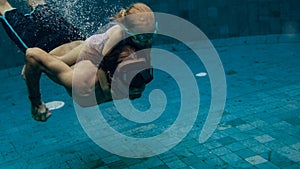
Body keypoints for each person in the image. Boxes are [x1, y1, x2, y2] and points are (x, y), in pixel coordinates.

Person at [0, 0, 156, 122]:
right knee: (5, 6)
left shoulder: (134, 49)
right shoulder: (84, 86)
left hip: (70, 37)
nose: (140, 87)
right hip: (44, 44)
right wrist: (36, 102)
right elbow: (33, 55)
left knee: (37, 4)